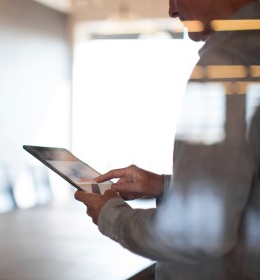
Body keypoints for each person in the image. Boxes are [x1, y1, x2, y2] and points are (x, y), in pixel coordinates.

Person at [74, 0, 260, 279]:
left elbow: (196, 231)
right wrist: (164, 186)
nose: (171, 10)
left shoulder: (227, 61)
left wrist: (110, 214)